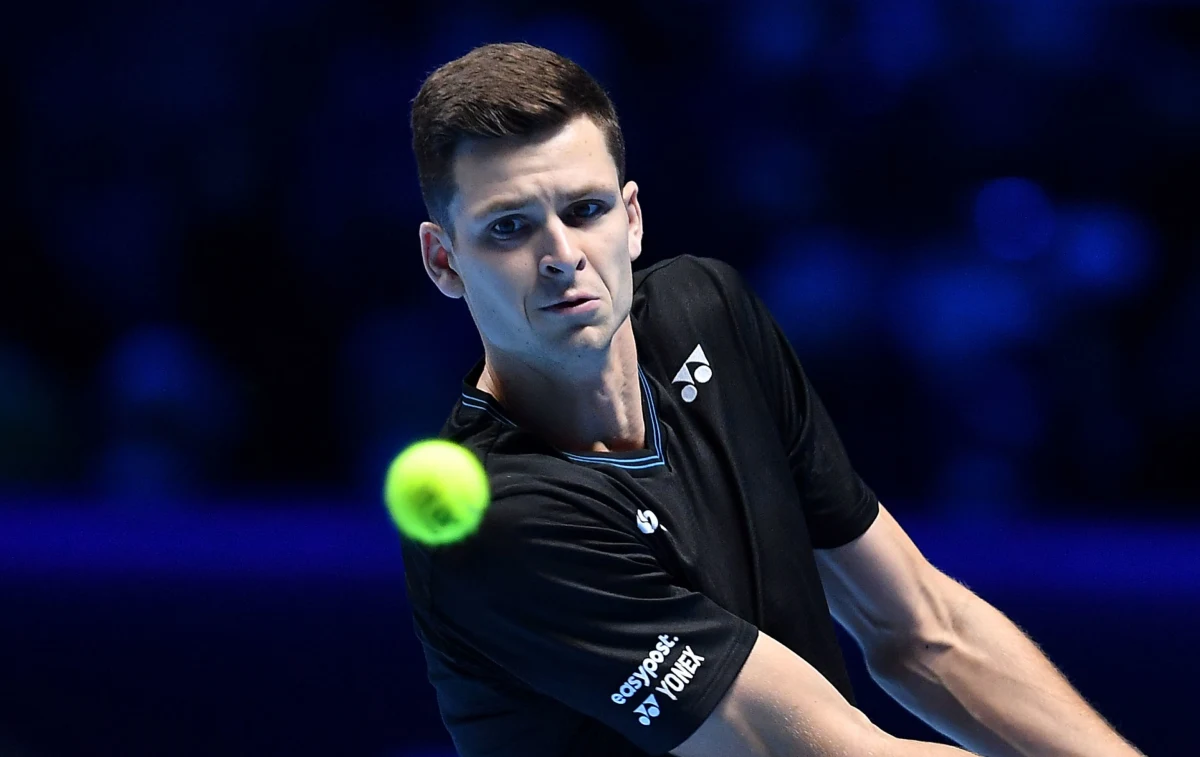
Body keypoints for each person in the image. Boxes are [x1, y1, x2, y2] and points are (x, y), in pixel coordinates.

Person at [401, 42, 1144, 757]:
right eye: (510, 228)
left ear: (632, 219)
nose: (562, 255)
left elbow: (925, 632)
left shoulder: (707, 313)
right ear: (444, 260)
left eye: (585, 209)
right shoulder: (498, 523)